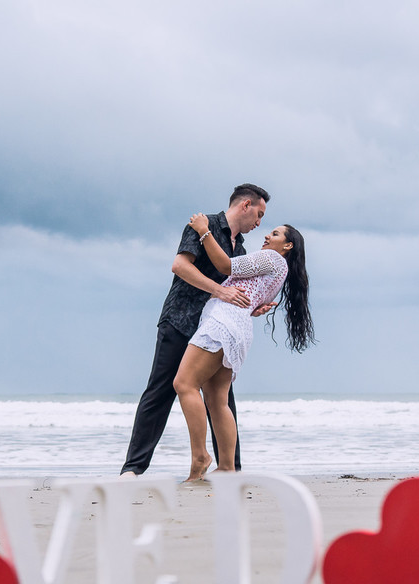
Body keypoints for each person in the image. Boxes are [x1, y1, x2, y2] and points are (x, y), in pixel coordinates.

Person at [119, 184, 273, 477]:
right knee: (160, 391)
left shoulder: (239, 248)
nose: (259, 223)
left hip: (214, 329)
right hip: (181, 319)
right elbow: (180, 265)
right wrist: (219, 291)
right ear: (245, 205)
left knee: (222, 397)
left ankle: (230, 469)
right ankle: (133, 469)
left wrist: (252, 307)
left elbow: (234, 291)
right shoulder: (204, 225)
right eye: (259, 214)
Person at [173, 215, 314, 481]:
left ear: (288, 246)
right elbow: (252, 303)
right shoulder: (280, 272)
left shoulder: (271, 259)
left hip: (222, 323)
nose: (266, 236)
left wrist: (204, 232)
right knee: (217, 401)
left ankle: (200, 457)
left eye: (274, 234)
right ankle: (227, 467)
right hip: (238, 329)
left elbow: (226, 266)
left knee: (184, 384)